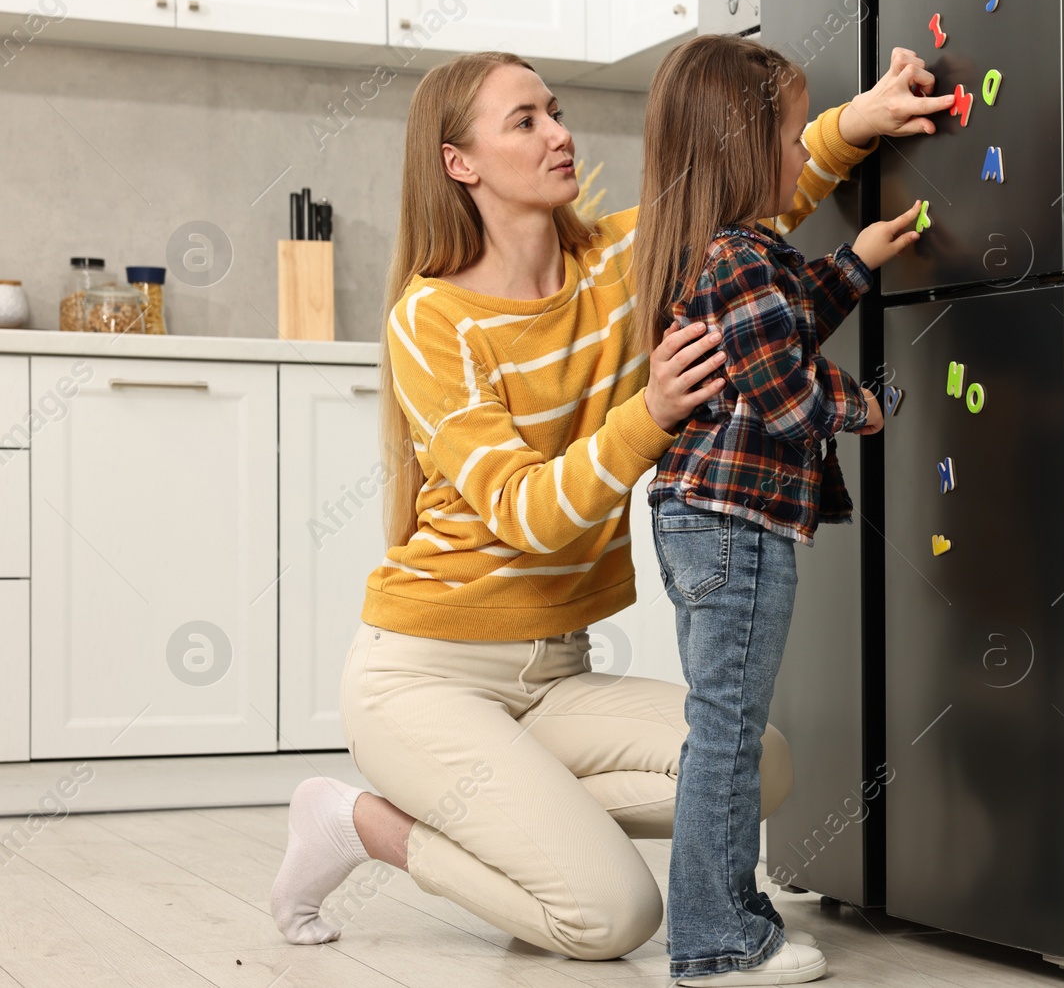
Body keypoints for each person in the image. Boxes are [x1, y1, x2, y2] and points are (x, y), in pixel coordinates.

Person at [268, 48, 950, 961]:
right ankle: (358, 822)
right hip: (425, 679)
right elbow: (526, 512)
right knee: (611, 917)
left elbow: (745, 193)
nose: (560, 133)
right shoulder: (433, 319)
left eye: (554, 110)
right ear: (457, 162)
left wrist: (859, 120)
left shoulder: (622, 261)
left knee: (764, 764)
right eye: (525, 121)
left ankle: (522, 814)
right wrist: (654, 411)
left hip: (555, 675)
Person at [632, 35, 929, 985]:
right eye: (797, 137)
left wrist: (855, 258)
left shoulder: (732, 253)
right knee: (727, 728)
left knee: (725, 724)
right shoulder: (741, 257)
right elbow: (790, 394)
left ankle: (734, 911)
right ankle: (715, 940)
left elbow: (787, 318)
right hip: (737, 522)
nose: (808, 156)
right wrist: (864, 407)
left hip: (704, 518)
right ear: (739, 147)